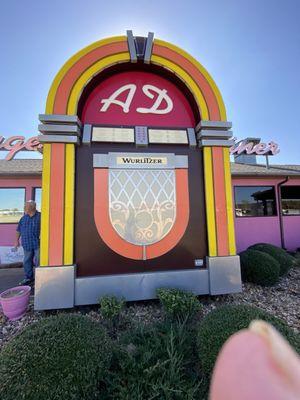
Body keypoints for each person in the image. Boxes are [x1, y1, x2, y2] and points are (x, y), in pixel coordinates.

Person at [15, 200, 40, 285]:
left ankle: (40, 278)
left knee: (38, 261)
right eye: (25, 206)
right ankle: (29, 278)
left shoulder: (40, 216)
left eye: (26, 206)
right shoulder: (23, 218)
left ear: (32, 207)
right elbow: (18, 230)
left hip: (38, 244)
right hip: (26, 243)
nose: (24, 207)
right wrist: (16, 241)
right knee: (27, 261)